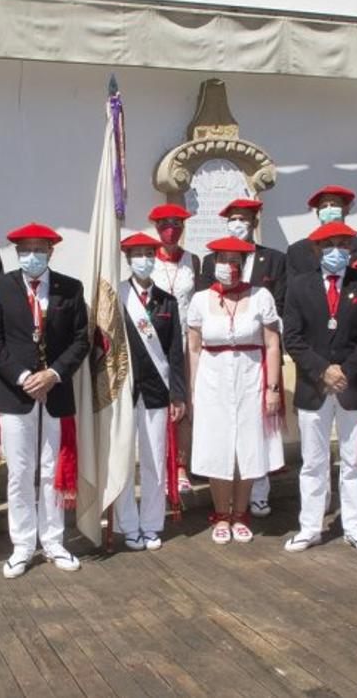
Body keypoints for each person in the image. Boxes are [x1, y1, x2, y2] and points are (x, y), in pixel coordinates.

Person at [0, 223, 89, 578]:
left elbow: (80, 341)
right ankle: (23, 545)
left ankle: (55, 541)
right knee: (19, 473)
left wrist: (54, 374)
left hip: (55, 393)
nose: (31, 255)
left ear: (51, 251)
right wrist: (24, 377)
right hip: (16, 395)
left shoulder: (70, 289)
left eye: (38, 249)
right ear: (16, 253)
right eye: (24, 249)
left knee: (50, 471)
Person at [282, 222, 357, 555]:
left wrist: (345, 371)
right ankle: (310, 527)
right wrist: (323, 371)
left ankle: (355, 527)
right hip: (314, 386)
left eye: (343, 245)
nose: (336, 251)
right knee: (313, 461)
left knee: (354, 459)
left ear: (352, 250)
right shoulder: (299, 286)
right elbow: (293, 339)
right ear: (315, 250)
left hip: (352, 386)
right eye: (328, 245)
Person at [185, 237, 284, 544]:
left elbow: (271, 343)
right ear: (213, 263)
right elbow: (194, 348)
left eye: (235, 261)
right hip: (212, 382)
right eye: (222, 259)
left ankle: (241, 513)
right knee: (217, 447)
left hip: (251, 378)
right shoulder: (200, 300)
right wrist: (193, 392)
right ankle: (221, 515)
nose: (228, 266)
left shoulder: (260, 296)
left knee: (249, 445)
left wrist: (273, 389)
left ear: (243, 265)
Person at [196, 198, 289, 518]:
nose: (238, 223)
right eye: (233, 219)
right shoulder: (208, 269)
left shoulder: (273, 260)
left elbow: (276, 327)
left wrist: (273, 385)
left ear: (254, 220)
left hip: (256, 363)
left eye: (243, 218)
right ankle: (223, 511)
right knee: (220, 439)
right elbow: (195, 340)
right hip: (216, 373)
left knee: (254, 437)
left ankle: (254, 499)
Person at [115, 233, 187, 551]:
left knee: (155, 460)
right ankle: (127, 525)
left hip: (157, 393)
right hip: (124, 392)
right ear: (128, 259)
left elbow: (175, 353)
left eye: (148, 253)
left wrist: (178, 394)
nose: (143, 259)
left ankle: (151, 524)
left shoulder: (167, 301)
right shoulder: (117, 297)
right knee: (123, 460)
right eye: (137, 254)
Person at [147, 203, 199, 498]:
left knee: (185, 405)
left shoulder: (193, 260)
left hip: (187, 341)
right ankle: (161, 465)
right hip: (157, 339)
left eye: (177, 223)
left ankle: (181, 466)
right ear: (156, 228)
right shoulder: (147, 259)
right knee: (160, 406)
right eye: (165, 223)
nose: (171, 229)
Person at [286, 185, 357, 277]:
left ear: (346, 210)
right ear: (318, 213)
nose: (329, 209)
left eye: (334, 205)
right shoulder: (297, 252)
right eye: (324, 206)